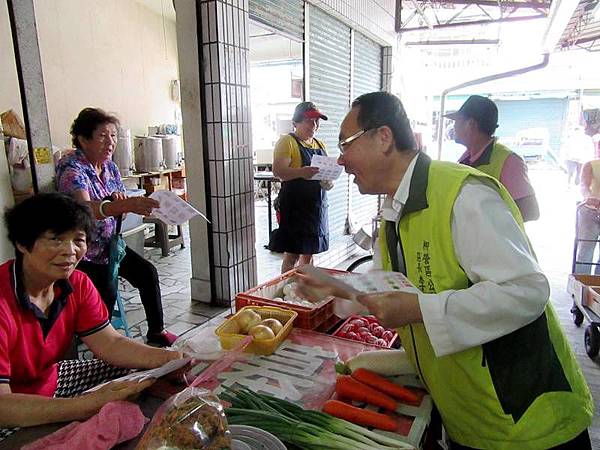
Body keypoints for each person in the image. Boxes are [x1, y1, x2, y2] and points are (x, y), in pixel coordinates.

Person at [299, 92, 593, 449]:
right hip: (471, 418)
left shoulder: (463, 194)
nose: (341, 159)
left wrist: (420, 309)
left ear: (383, 138)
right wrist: (332, 286)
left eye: (346, 144)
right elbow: (391, 286)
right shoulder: (395, 210)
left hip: (528, 423)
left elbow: (525, 291)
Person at [0, 193, 184, 440]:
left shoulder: (77, 283)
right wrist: (89, 404)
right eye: (55, 240)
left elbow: (111, 343)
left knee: (140, 378)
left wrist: (170, 359)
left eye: (79, 240)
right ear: (22, 243)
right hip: (11, 406)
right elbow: (3, 407)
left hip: (51, 381)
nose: (70, 251)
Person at [56, 107, 176, 347]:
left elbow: (114, 197)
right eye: (102, 136)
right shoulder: (73, 170)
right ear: (83, 139)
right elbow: (85, 209)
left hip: (111, 246)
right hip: (86, 254)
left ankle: (156, 332)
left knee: (147, 273)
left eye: (113, 136)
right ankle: (102, 351)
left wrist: (121, 199)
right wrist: (124, 205)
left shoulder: (109, 167)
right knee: (104, 300)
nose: (110, 142)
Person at [446, 95, 540, 222]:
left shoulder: (509, 161)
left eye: (457, 121)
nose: (454, 127)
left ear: (471, 124)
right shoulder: (466, 159)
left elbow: (530, 212)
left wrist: (486, 219)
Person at [270, 101, 333, 273]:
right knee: (292, 255)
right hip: (295, 208)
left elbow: (326, 174)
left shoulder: (320, 145)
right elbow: (279, 171)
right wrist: (301, 172)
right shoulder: (287, 142)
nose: (314, 125)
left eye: (317, 121)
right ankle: (287, 291)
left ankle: (304, 291)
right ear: (296, 122)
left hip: (316, 208)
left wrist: (328, 182)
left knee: (310, 253)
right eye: (309, 121)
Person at [575, 158, 600, 274]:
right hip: (590, 212)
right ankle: (581, 284)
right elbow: (584, 185)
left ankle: (596, 286)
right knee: (585, 250)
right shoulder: (590, 165)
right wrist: (588, 197)